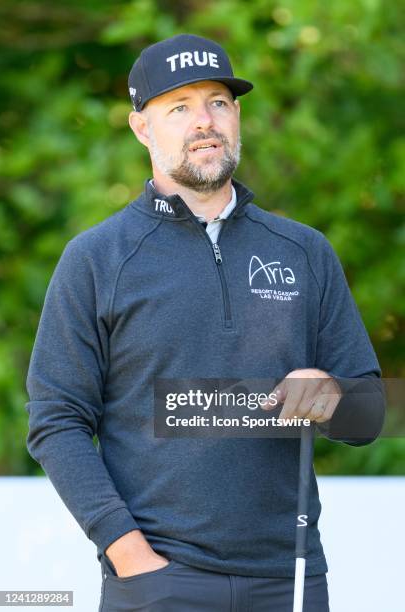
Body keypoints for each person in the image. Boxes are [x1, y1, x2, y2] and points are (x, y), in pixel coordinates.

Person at [25, 34, 385, 611]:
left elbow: (370, 412)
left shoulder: (303, 251)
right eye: (179, 107)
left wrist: (330, 395)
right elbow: (56, 419)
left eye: (217, 101)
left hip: (289, 579)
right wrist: (130, 556)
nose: (204, 122)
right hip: (160, 580)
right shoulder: (98, 259)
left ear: (237, 115)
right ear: (141, 128)